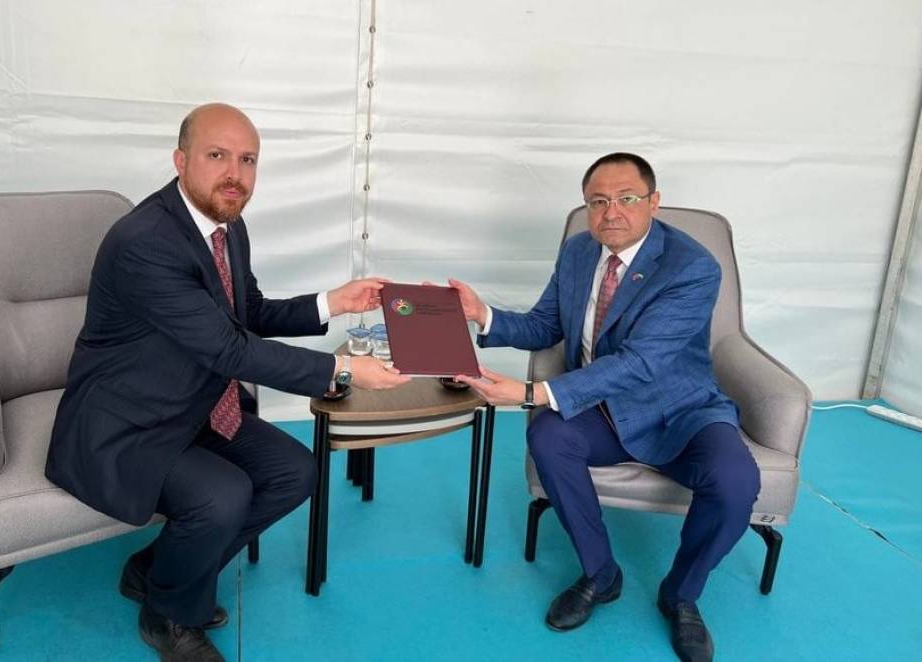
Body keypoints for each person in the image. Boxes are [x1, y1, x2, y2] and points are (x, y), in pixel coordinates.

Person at [45, 102, 410, 662]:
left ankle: (155, 573)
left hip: (193, 404)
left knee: (294, 472)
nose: (234, 174)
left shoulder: (226, 227)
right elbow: (228, 348)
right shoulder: (146, 241)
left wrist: (332, 302)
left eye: (247, 160)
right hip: (126, 424)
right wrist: (340, 370)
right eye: (217, 155)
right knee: (223, 496)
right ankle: (167, 617)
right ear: (180, 160)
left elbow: (248, 312)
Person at [451, 153, 759, 662]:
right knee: (548, 435)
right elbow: (545, 326)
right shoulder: (578, 252)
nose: (610, 212)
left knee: (736, 482)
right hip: (603, 408)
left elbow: (642, 362)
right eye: (597, 201)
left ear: (653, 202)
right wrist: (481, 314)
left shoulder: (692, 267)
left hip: (681, 410)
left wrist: (533, 393)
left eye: (625, 198)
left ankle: (681, 594)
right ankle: (601, 573)